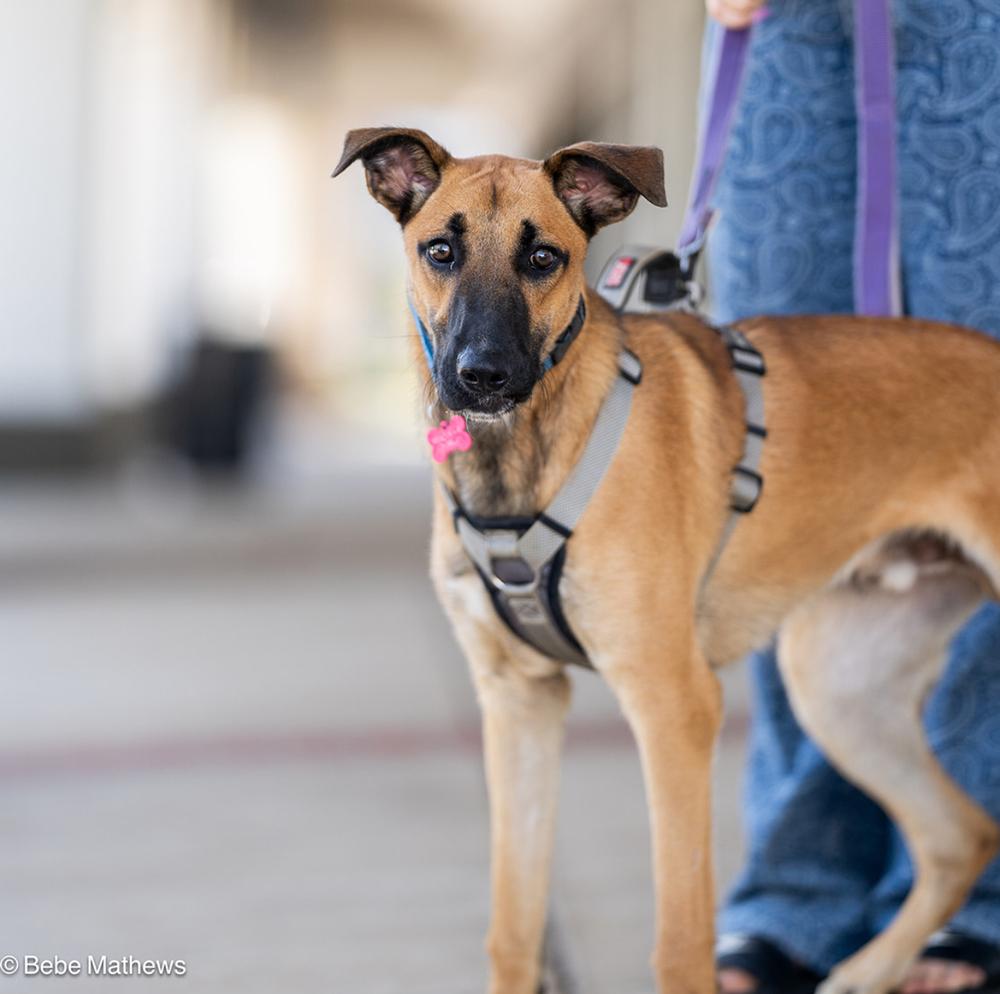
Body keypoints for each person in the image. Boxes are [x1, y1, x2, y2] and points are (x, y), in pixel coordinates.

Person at [702, 1, 1000, 992]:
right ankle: (797, 895)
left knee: (979, 414)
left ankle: (977, 905)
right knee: (787, 444)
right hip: (792, 20)